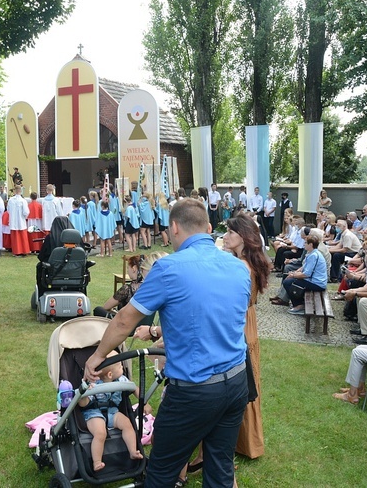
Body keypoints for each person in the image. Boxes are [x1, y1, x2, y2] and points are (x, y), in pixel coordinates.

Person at [84, 198, 250, 488]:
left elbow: (124, 320)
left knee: (162, 470)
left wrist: (98, 355)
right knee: (220, 465)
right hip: (237, 381)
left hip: (194, 389)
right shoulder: (237, 267)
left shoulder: (169, 268)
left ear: (173, 227)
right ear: (209, 227)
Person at [222, 214, 270, 459]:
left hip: (239, 323)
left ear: (244, 237)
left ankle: (246, 443)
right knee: (249, 382)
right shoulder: (248, 261)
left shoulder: (240, 265)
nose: (226, 236)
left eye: (231, 232)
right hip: (248, 322)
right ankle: (248, 442)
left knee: (242, 384)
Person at [78, 352, 143, 471]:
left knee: (127, 424)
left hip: (112, 411)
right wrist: (83, 394)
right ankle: (96, 462)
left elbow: (134, 388)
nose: (122, 366)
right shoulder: (92, 384)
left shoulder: (121, 379)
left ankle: (133, 451)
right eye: (119, 366)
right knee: (100, 433)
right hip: (94, 412)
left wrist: (144, 402)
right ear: (109, 374)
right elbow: (83, 404)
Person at [282, 234, 328, 315]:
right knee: (288, 278)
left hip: (317, 283)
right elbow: (304, 267)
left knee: (287, 282)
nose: (304, 244)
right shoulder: (312, 253)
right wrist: (294, 272)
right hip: (313, 280)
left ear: (311, 245)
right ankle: (296, 301)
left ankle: (299, 305)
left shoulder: (314, 255)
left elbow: (307, 274)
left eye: (305, 243)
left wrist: (293, 275)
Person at [7, 185, 30, 256]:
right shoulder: (23, 201)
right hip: (21, 220)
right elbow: (26, 212)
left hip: (13, 220)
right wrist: (25, 217)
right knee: (22, 236)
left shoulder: (11, 200)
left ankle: (16, 251)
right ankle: (24, 251)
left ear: (14, 191)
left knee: (15, 237)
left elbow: (8, 210)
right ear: (21, 191)